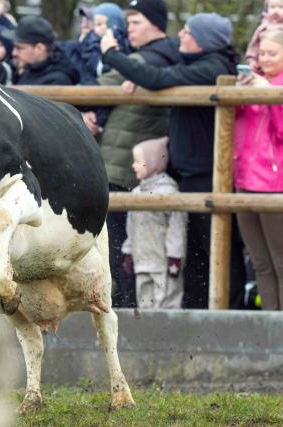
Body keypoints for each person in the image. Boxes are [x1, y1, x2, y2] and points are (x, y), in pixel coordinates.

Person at [101, 12, 247, 309]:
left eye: (188, 32)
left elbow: (158, 78)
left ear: (204, 41)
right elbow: (156, 80)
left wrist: (111, 54)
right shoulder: (194, 64)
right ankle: (196, 316)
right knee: (193, 255)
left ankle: (229, 317)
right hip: (188, 175)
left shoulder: (213, 67)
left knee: (218, 253)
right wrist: (136, 80)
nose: (180, 34)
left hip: (208, 176)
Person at [95, 0, 179, 307]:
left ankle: (125, 310)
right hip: (135, 166)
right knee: (130, 249)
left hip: (123, 168)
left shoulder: (146, 61)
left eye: (136, 22)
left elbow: (96, 86)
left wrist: (113, 57)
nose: (129, 28)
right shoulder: (159, 58)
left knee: (120, 249)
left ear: (155, 23)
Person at [235, 30, 283, 310]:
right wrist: (240, 93)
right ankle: (267, 331)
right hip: (243, 181)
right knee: (261, 265)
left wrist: (268, 94)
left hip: (277, 184)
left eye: (272, 53)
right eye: (261, 53)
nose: (265, 59)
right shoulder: (254, 82)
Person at [122, 137, 186, 308]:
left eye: (138, 162)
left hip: (163, 264)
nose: (133, 166)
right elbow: (132, 226)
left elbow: (177, 228)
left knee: (167, 302)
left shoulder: (169, 193)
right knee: (144, 302)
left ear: (152, 162)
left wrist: (175, 256)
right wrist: (128, 250)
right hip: (142, 260)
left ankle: (170, 333)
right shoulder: (136, 193)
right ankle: (145, 333)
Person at [3, 15, 80, 85]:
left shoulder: (58, 81)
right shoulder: (30, 67)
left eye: (19, 48)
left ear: (39, 48)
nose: (14, 53)